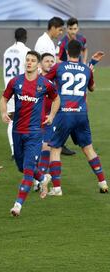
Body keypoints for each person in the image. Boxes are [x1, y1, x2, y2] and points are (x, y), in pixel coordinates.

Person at [42, 40, 108, 197]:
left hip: (64, 113)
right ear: (80, 53)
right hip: (81, 114)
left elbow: (45, 81)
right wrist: (90, 67)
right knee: (88, 148)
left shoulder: (59, 67)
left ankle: (57, 188)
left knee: (55, 148)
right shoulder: (86, 69)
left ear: (65, 52)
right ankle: (103, 183)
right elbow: (92, 88)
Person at [0, 50, 61, 216]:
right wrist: (3, 112)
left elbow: (56, 99)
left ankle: (17, 205)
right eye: (27, 60)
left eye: (33, 60)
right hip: (17, 130)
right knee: (21, 166)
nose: (29, 63)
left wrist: (52, 115)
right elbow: (3, 98)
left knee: (27, 170)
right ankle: (43, 178)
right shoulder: (15, 82)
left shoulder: (45, 84)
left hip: (35, 132)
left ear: (38, 64)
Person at [34, 16, 76, 156]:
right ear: (53, 27)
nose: (60, 33)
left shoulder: (48, 42)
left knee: (55, 113)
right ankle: (53, 143)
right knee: (53, 113)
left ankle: (56, 142)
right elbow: (40, 65)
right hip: (45, 83)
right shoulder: (43, 43)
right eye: (59, 30)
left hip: (48, 82)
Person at [3, 28, 31, 160]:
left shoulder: (7, 51)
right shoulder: (26, 51)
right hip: (22, 89)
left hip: (9, 88)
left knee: (12, 120)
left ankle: (14, 150)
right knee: (26, 119)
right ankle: (25, 148)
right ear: (25, 37)